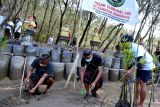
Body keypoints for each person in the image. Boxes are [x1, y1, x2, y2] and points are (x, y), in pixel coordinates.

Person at [120, 34, 154, 107]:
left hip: (146, 65)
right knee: (137, 82)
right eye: (122, 43)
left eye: (124, 43)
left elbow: (140, 64)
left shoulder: (137, 48)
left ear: (129, 42)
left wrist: (130, 71)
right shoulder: (126, 49)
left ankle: (141, 104)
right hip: (137, 65)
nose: (123, 44)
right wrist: (127, 70)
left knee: (142, 83)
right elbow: (129, 61)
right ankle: (137, 98)